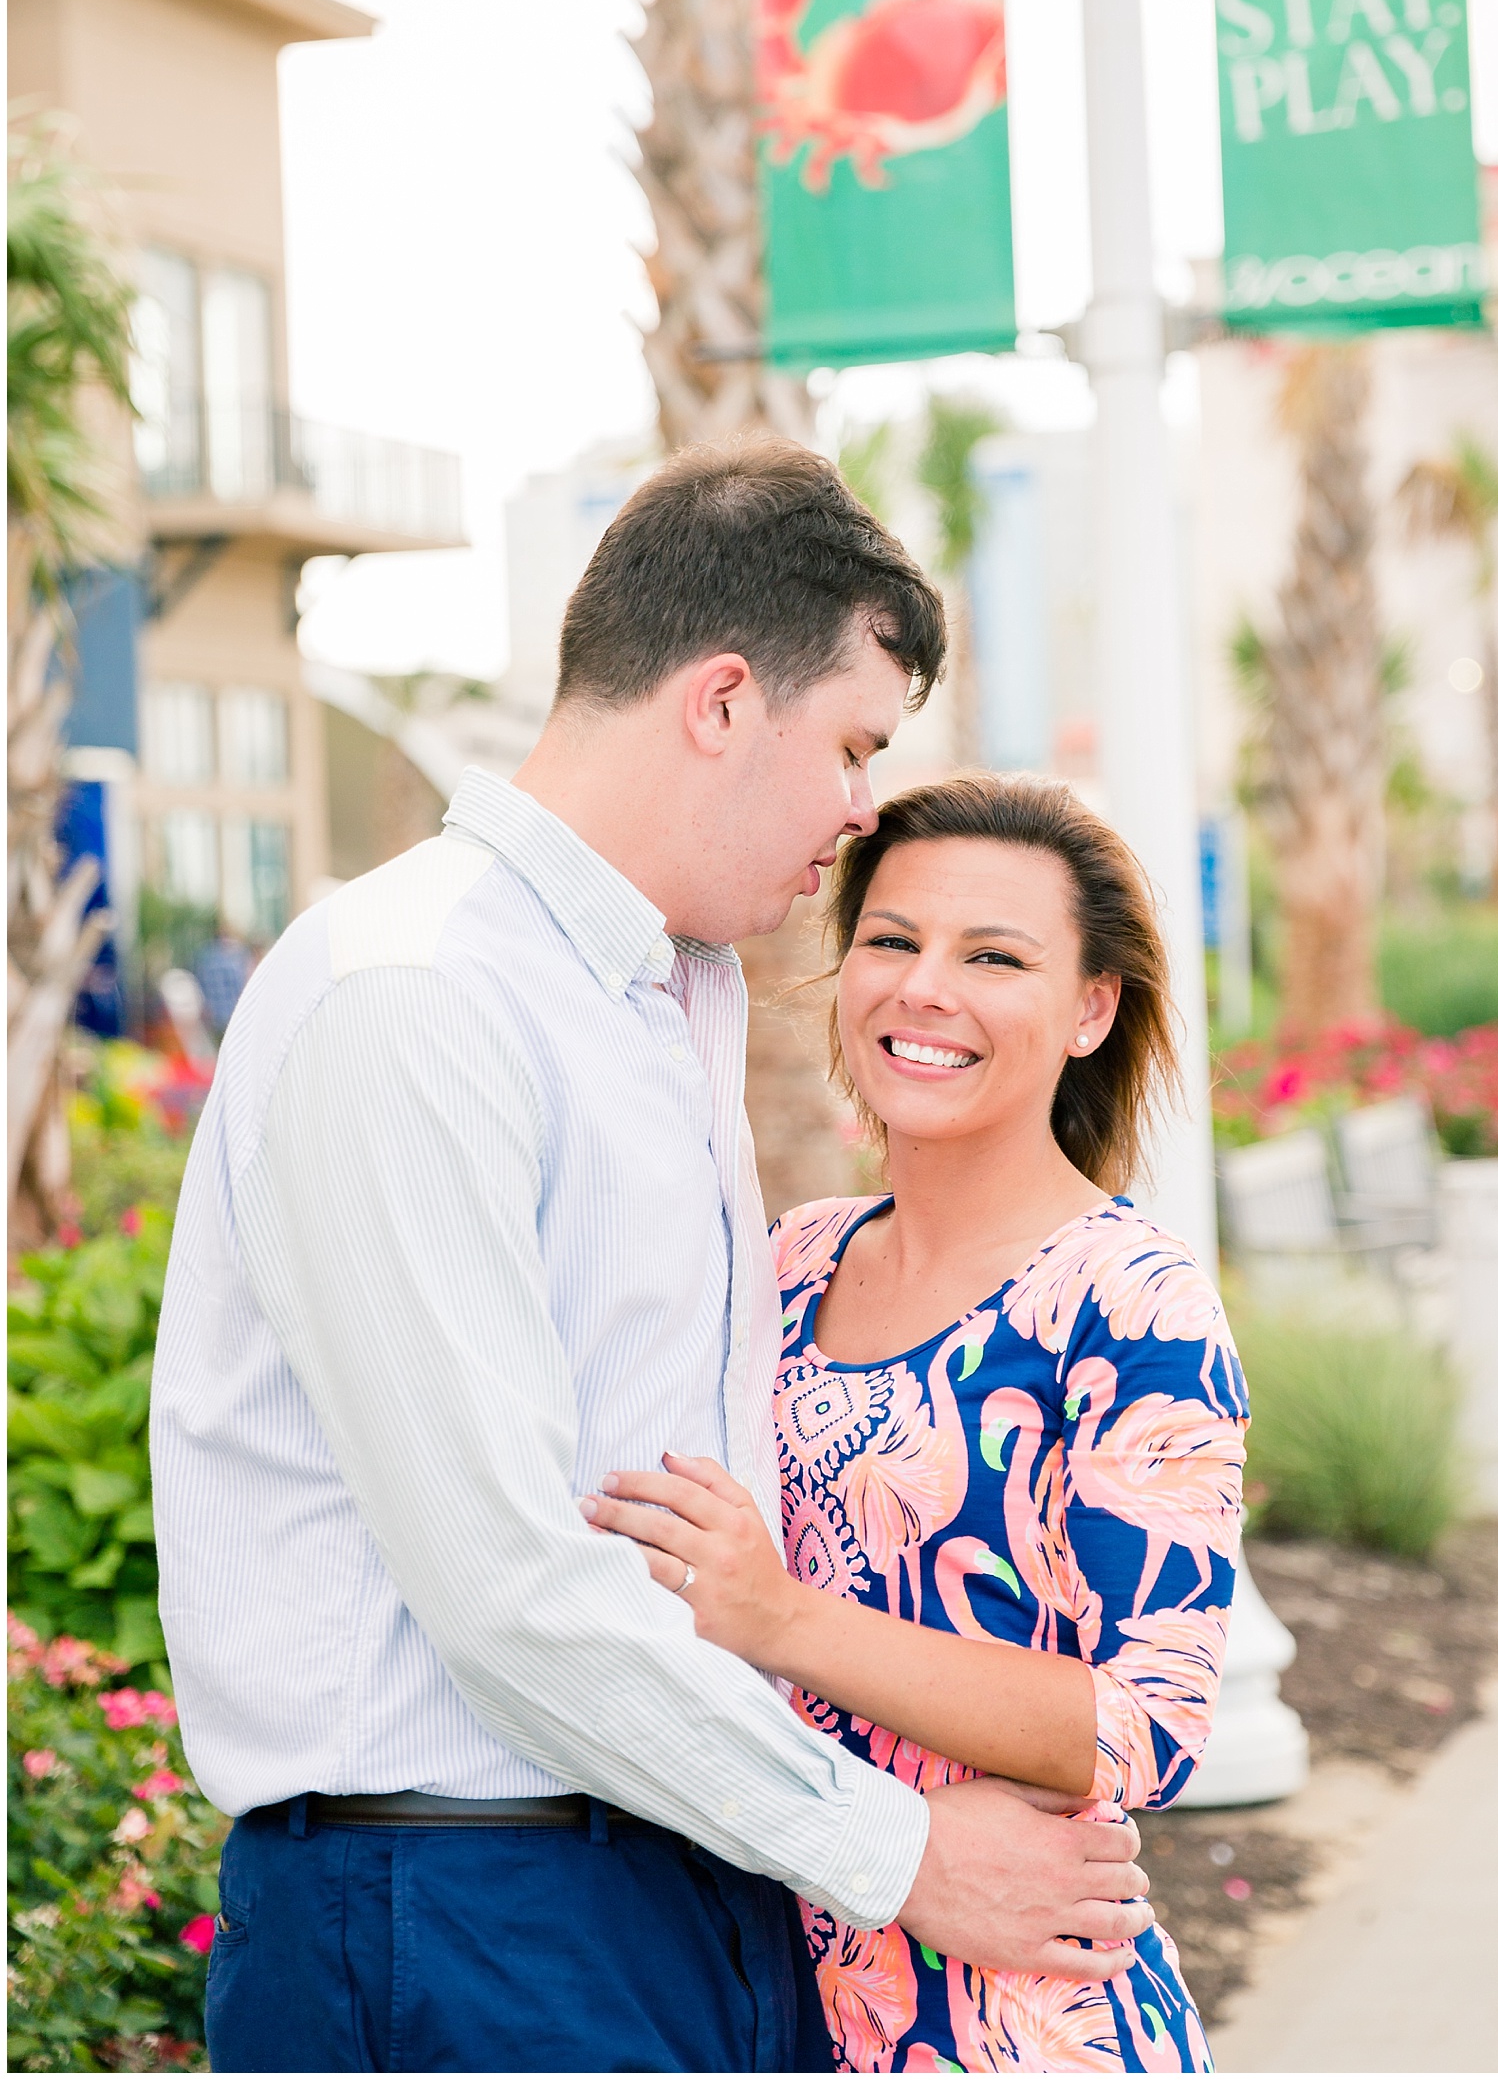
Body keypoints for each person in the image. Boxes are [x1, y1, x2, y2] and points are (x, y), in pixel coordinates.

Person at [150, 442, 1156, 2077]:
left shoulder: (675, 994)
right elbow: (509, 1587)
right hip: (454, 1909)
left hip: (689, 1874)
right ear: (719, 700)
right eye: (848, 744)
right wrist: (902, 1851)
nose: (859, 807)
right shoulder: (412, 996)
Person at [584, 772, 1250, 2073]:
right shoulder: (790, 1260)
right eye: (892, 940)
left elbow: (1146, 1725)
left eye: (993, 955)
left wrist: (779, 1615)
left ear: (1090, 1008)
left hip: (1021, 2027)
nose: (924, 987)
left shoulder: (1131, 1300)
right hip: (766, 2000)